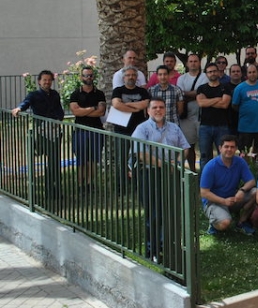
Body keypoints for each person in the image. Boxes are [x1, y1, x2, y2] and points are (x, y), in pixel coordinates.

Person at [132, 98, 190, 261]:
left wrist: (176, 162)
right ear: (148, 111)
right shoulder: (142, 129)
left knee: (171, 211)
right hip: (150, 174)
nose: (158, 110)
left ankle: (170, 246)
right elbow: (141, 154)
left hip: (171, 174)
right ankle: (153, 250)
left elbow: (185, 148)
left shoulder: (174, 127)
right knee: (154, 213)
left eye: (161, 107)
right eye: (155, 107)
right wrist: (164, 165)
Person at [12, 70, 65, 206]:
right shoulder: (34, 95)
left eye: (49, 80)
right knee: (44, 157)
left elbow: (59, 111)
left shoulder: (55, 94)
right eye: (44, 80)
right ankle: (41, 191)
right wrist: (19, 109)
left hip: (54, 130)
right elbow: (26, 103)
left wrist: (58, 119)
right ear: (39, 81)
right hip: (41, 131)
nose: (47, 82)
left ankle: (55, 191)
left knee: (54, 162)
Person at [200, 135, 257, 235]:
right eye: (226, 146)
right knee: (225, 223)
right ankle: (214, 224)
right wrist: (223, 201)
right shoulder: (211, 166)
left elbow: (251, 181)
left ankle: (242, 222)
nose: (229, 149)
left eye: (232, 147)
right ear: (220, 148)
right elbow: (204, 193)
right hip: (214, 201)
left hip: (232, 198)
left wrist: (242, 190)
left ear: (235, 149)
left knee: (256, 192)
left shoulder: (240, 162)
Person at [111, 66, 150, 194]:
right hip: (121, 130)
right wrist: (135, 108)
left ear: (137, 77)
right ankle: (121, 187)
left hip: (138, 130)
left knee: (139, 158)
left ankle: (137, 185)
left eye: (133, 75)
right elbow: (116, 104)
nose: (131, 77)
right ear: (123, 77)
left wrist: (125, 105)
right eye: (128, 75)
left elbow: (145, 104)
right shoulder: (118, 90)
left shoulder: (143, 91)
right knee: (121, 159)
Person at [68, 65, 106, 194]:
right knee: (81, 159)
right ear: (81, 77)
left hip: (96, 130)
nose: (88, 77)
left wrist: (84, 111)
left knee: (93, 159)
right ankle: (80, 185)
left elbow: (101, 112)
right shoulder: (75, 94)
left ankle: (90, 184)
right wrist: (92, 109)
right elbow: (75, 112)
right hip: (80, 130)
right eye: (86, 75)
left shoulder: (99, 93)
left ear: (93, 77)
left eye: (90, 75)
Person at [196, 62, 232, 170]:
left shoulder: (225, 88)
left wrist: (207, 101)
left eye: (214, 71)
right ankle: (204, 182)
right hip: (205, 127)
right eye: (210, 72)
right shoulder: (201, 88)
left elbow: (225, 104)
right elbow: (201, 103)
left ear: (218, 72)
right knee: (205, 157)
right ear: (206, 74)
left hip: (222, 126)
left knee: (224, 155)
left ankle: (223, 181)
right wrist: (217, 99)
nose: (212, 73)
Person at [176, 53, 207, 172]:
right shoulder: (182, 78)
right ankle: (193, 171)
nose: (193, 63)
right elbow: (180, 94)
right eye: (191, 61)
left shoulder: (205, 77)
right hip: (186, 116)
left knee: (204, 146)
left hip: (202, 116)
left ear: (199, 63)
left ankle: (204, 173)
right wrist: (197, 94)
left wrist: (189, 94)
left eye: (195, 61)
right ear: (187, 63)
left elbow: (203, 92)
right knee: (189, 145)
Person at [232, 64, 258, 163]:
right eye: (250, 72)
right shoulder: (240, 88)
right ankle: (244, 172)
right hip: (245, 127)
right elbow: (235, 105)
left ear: (257, 73)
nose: (252, 74)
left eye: (254, 72)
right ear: (246, 74)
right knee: (244, 152)